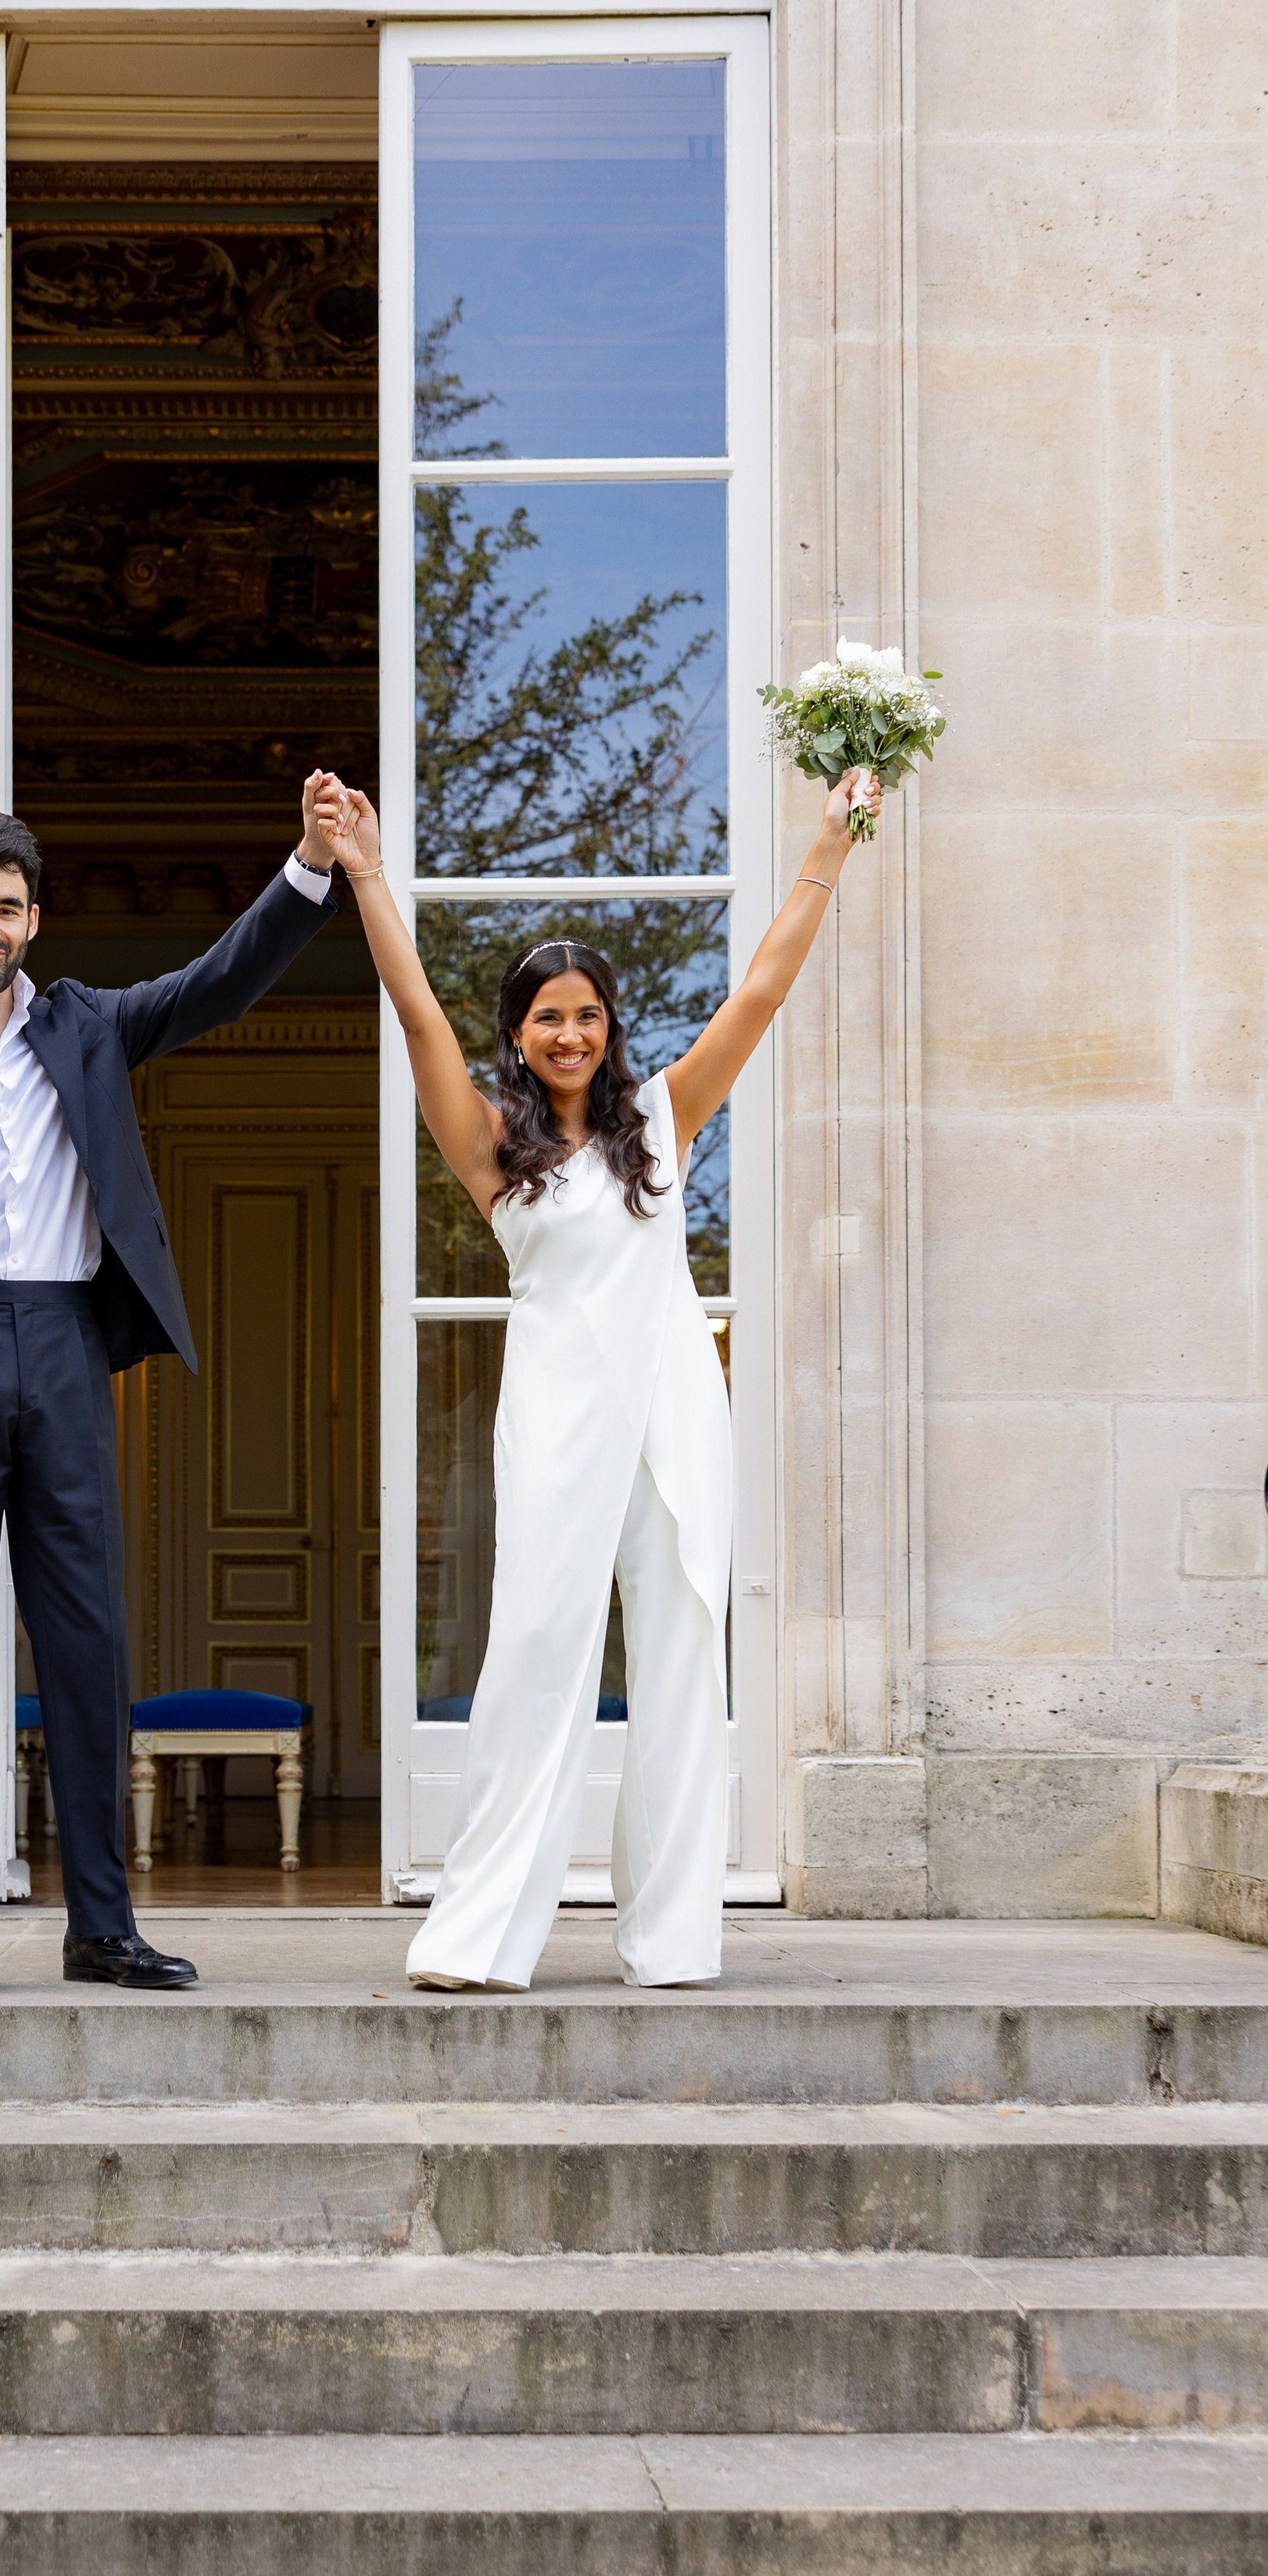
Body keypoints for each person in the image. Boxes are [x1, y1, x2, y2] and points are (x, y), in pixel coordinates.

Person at [313, 767, 877, 1991]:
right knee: (535, 1655)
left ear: (611, 1028)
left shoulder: (667, 1119)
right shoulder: (490, 1144)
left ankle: (671, 1939)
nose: (569, 1034)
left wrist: (827, 846)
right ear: (517, 1034)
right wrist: (364, 871)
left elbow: (764, 990)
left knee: (680, 1656)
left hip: (676, 1406)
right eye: (545, 1017)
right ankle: (478, 1938)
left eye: (588, 1016)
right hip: (560, 1420)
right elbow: (414, 1014)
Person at [0, 789, 342, 2002]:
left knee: (92, 1648)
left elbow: (216, 981)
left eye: (6, 906)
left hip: (59, 1349)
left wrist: (309, 865)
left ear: (34, 920)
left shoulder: (87, 1028)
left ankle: (102, 1925)